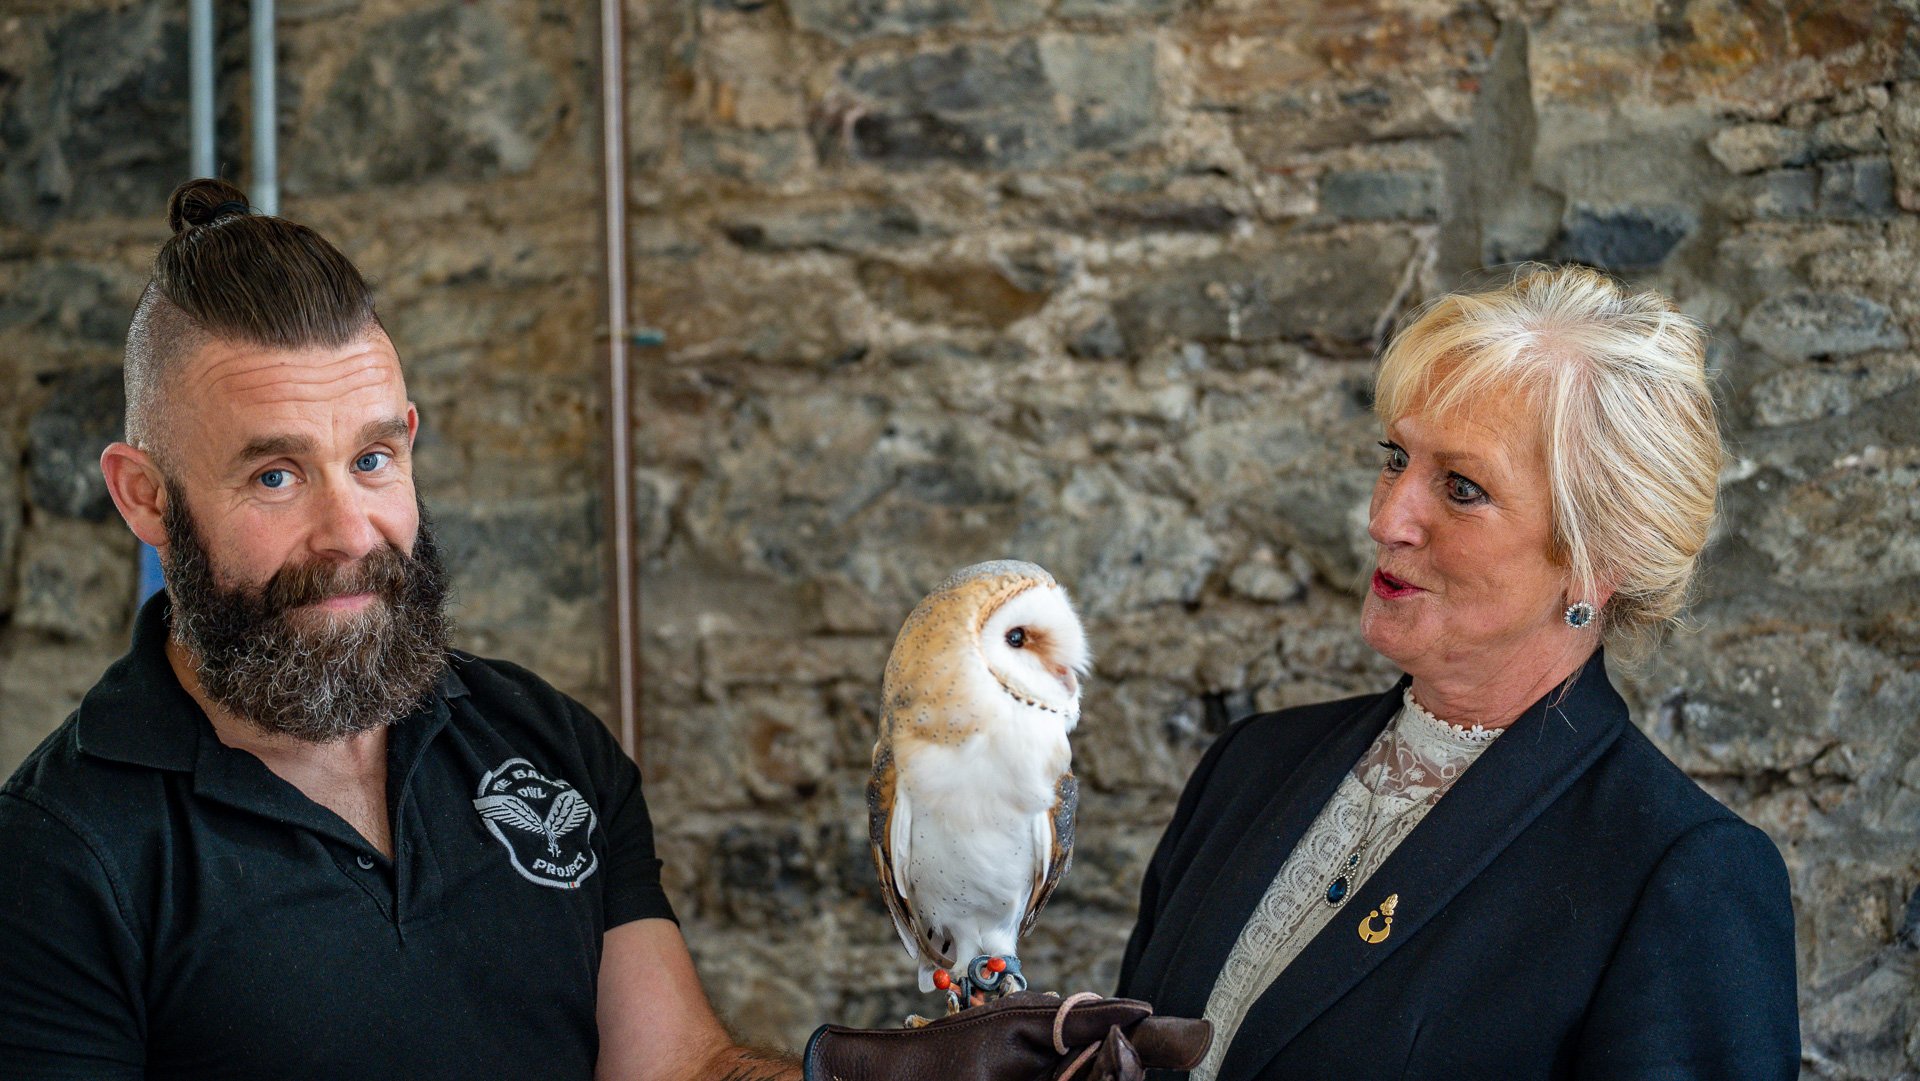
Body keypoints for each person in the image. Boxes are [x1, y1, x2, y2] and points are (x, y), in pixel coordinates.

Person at [0, 179, 1207, 1081]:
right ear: (144, 497)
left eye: (374, 457)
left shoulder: (543, 744)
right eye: (274, 477)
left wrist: (878, 1075)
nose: (348, 529)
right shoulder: (59, 856)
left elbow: (673, 1069)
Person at [1116, 266, 1800, 1080]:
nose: (1386, 517)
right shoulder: (1247, 767)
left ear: (1594, 562)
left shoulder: (1682, 877)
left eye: (1462, 487)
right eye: (1394, 457)